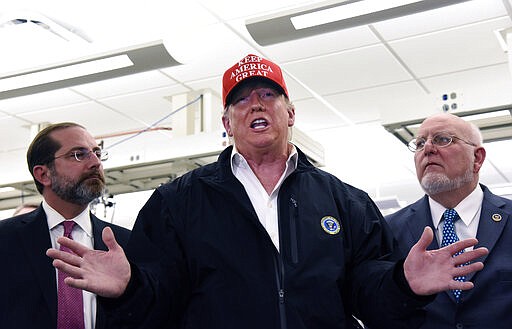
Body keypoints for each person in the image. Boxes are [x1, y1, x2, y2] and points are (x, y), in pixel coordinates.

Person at [47, 55, 488, 329]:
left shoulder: (345, 201)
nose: (256, 104)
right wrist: (129, 288)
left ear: (289, 112)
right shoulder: (177, 203)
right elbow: (158, 300)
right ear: (227, 124)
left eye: (267, 95)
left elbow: (370, 295)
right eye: (241, 100)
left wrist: (405, 285)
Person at [385, 112, 512, 329]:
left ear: (477, 158)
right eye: (420, 143)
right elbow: (376, 309)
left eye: (443, 139)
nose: (428, 149)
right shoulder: (388, 229)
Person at [0, 122, 131, 329]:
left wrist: (129, 289)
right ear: (43, 174)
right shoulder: (5, 240)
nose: (95, 162)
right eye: (78, 155)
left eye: (97, 153)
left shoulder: (126, 244)